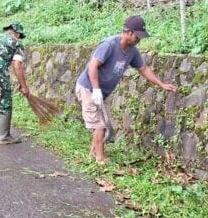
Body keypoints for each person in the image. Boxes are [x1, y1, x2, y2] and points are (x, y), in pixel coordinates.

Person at [75, 15, 177, 164]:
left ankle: (94, 153)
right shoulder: (109, 45)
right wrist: (96, 89)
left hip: (99, 92)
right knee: (99, 125)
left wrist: (160, 84)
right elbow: (93, 66)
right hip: (88, 88)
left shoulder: (132, 51)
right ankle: (100, 159)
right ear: (128, 32)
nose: (139, 39)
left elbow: (143, 68)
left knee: (103, 122)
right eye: (137, 36)